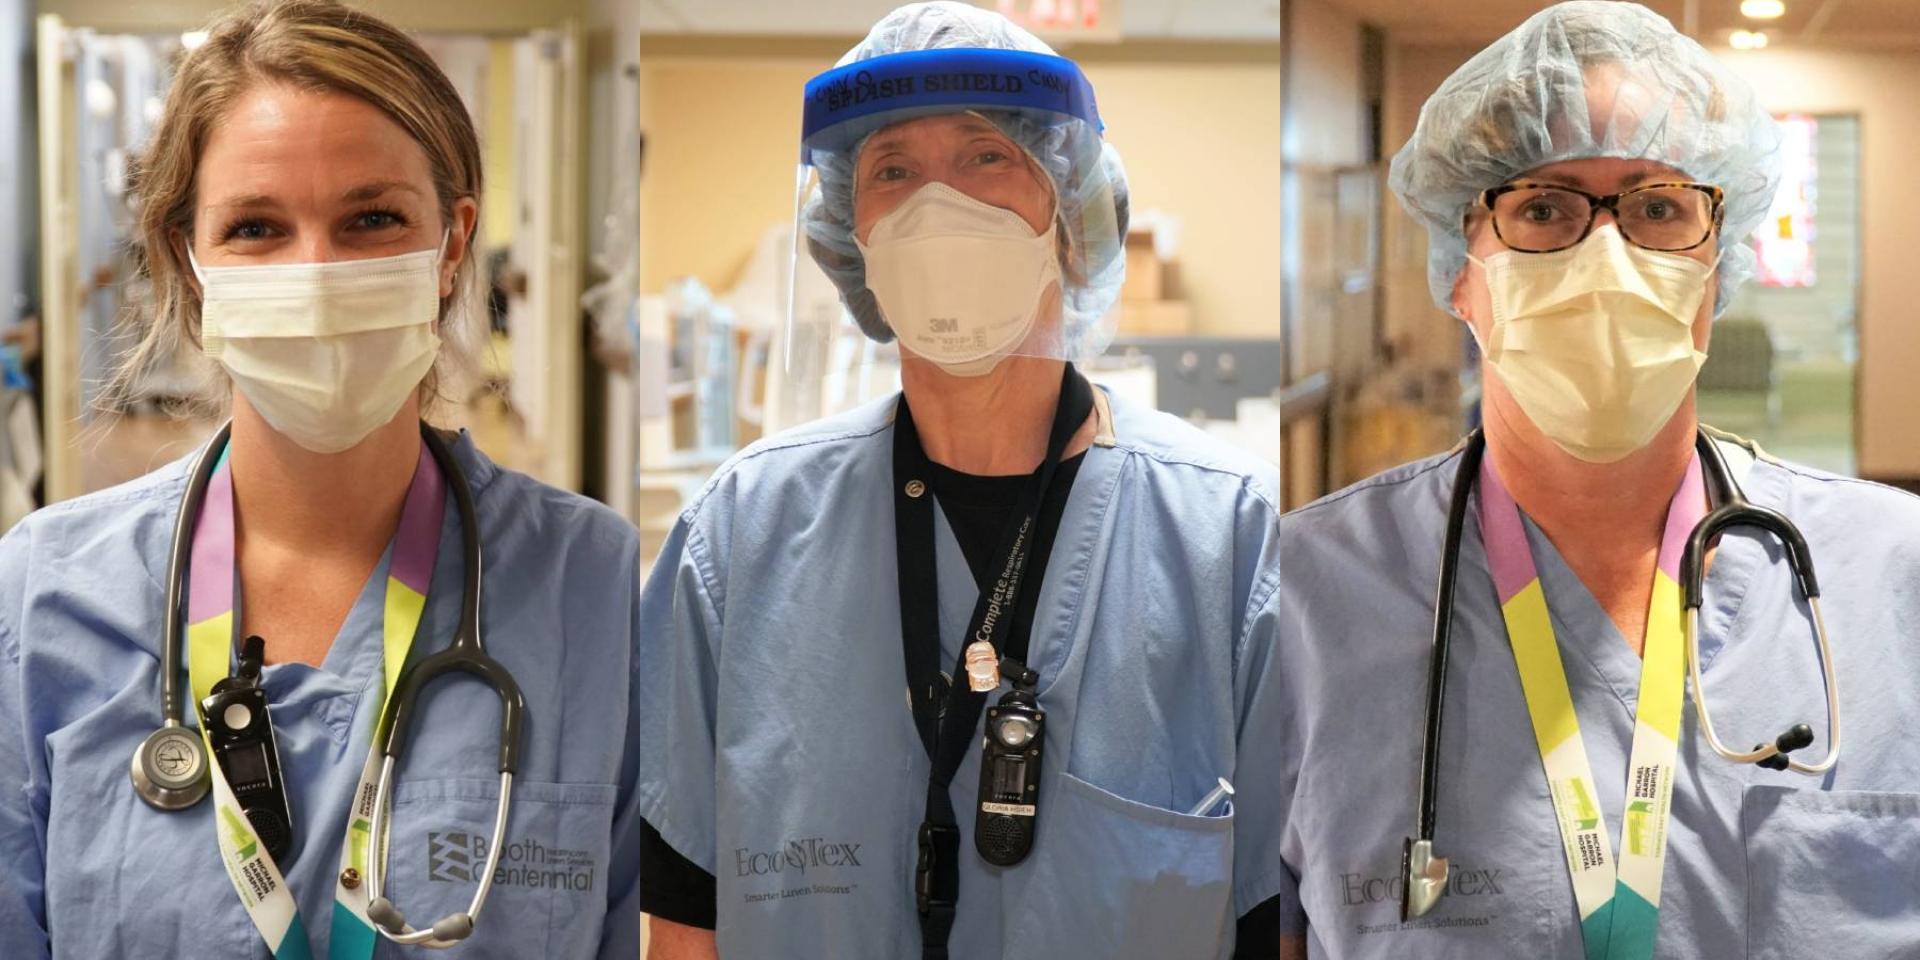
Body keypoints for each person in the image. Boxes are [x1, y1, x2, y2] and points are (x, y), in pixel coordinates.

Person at [1272, 3, 1920, 957]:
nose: (1607, 257)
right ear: (1460, 272)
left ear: (1715, 270)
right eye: (1544, 208)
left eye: (1660, 208)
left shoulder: (1891, 575)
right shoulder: (1300, 596)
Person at [635, 3, 1282, 958]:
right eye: (892, 170)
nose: (937, 209)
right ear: (848, 233)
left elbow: (1280, 923)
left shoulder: (1226, 536)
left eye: (987, 157)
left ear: (1072, 210)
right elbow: (686, 926)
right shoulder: (741, 535)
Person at [0, 2, 645, 956]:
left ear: (452, 243)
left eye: (373, 218)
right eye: (256, 226)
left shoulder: (589, 582)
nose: (315, 276)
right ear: (190, 256)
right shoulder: (46, 591)